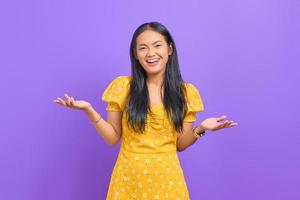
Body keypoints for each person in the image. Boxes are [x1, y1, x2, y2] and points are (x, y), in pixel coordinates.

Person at [54, 22, 238, 200]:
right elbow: (112, 137)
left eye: (157, 45)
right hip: (128, 182)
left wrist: (202, 128)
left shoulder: (186, 93)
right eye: (143, 48)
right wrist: (89, 111)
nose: (151, 53)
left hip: (168, 182)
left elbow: (180, 145)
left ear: (170, 49)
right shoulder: (123, 87)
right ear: (135, 54)